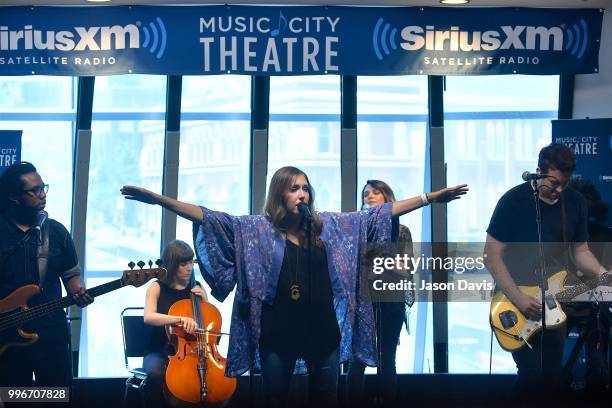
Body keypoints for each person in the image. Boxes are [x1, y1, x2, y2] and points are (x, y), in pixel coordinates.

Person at [122, 166, 467, 407]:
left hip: (323, 334)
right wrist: (160, 200)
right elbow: (209, 217)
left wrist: (430, 197)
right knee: (276, 398)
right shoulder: (257, 230)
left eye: (305, 188)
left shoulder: (329, 227)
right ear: (279, 193)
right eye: (294, 188)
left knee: (325, 399)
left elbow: (378, 215)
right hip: (278, 335)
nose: (302, 193)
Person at [484, 144, 610, 398]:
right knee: (531, 375)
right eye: (553, 183)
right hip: (513, 300)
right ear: (538, 171)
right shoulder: (512, 201)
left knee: (552, 378)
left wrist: (603, 275)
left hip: (554, 302)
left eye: (564, 183)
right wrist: (519, 298)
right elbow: (490, 255)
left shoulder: (574, 202)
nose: (559, 190)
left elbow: (581, 251)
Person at [0, 161, 93, 391]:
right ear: (14, 197)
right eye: (35, 190)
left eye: (44, 188)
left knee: (55, 396)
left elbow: (71, 274)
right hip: (7, 334)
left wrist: (77, 290)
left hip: (51, 330)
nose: (43, 195)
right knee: (14, 398)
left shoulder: (57, 231)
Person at [347, 180, 415, 408]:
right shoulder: (357, 228)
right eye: (366, 193)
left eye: (376, 192)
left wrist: (382, 258)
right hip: (362, 300)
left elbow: (407, 270)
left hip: (390, 301)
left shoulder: (401, 231)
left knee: (387, 358)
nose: (370, 196)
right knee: (358, 359)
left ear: (387, 198)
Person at [142, 239, 208, 408]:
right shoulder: (157, 287)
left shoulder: (197, 287)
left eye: (190, 263)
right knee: (156, 373)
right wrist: (179, 319)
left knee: (208, 376)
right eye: (183, 264)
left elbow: (208, 323)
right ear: (172, 265)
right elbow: (148, 317)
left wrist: (205, 301)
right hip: (158, 350)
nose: (189, 268)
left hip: (192, 350)